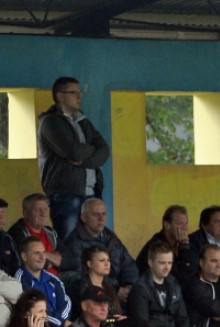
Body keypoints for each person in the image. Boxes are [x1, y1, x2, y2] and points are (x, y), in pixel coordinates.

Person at [127, 241, 220, 327]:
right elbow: (143, 325)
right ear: (150, 262)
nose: (167, 267)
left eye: (170, 263)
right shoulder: (140, 289)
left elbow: (182, 316)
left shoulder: (173, 283)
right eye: (162, 263)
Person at [38, 77, 110, 239]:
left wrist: (84, 162)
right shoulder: (51, 122)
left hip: (91, 192)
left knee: (94, 247)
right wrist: (91, 151)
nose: (79, 96)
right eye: (73, 92)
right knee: (69, 243)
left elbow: (104, 150)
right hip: (66, 194)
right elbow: (73, 151)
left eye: (79, 92)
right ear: (60, 96)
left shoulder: (82, 121)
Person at [57, 198, 135, 290]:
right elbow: (83, 274)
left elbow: (129, 265)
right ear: (84, 217)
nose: (101, 218)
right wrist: (116, 289)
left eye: (104, 214)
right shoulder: (74, 242)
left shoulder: (112, 238)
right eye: (96, 214)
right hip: (94, 292)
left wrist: (129, 286)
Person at [15, 236, 71, 327]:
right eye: (37, 253)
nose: (42, 257)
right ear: (24, 256)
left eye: (44, 252)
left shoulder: (54, 279)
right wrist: (61, 323)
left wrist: (61, 322)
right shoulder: (18, 281)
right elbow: (31, 311)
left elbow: (66, 303)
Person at [135, 204, 193, 282]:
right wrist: (184, 247)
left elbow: (191, 271)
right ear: (167, 225)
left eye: (186, 224)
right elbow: (179, 277)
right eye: (180, 224)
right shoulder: (157, 245)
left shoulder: (180, 243)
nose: (185, 228)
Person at [66, 245, 125, 321]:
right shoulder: (80, 286)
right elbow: (86, 318)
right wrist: (114, 320)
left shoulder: (109, 286)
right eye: (102, 260)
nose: (107, 264)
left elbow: (115, 313)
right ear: (89, 264)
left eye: (108, 260)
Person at [8, 193, 61, 273]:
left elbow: (67, 261)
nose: (43, 214)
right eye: (38, 210)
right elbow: (32, 264)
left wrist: (42, 254)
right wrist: (54, 259)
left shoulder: (51, 232)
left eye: (45, 209)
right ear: (25, 213)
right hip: (34, 280)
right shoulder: (17, 232)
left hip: (56, 277)